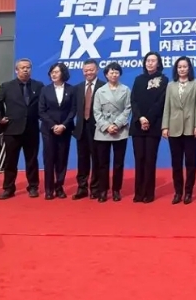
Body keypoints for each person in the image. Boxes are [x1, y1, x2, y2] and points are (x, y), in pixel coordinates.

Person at [0, 58, 45, 199]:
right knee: (10, 161)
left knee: (31, 160)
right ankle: (8, 188)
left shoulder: (39, 86)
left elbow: (43, 104)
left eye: (28, 67)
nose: (25, 70)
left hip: (31, 129)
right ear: (16, 70)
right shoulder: (7, 86)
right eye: (22, 68)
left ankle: (33, 187)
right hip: (12, 129)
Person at [162, 56, 196, 204]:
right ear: (176, 69)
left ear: (189, 68)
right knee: (176, 162)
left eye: (185, 67)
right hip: (174, 128)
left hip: (190, 128)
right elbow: (167, 106)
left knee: (190, 162)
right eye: (179, 67)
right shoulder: (170, 85)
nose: (182, 69)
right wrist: (165, 126)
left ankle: (188, 192)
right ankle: (178, 192)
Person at [130, 52, 168, 203]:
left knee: (150, 160)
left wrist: (148, 119)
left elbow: (160, 102)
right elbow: (133, 100)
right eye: (148, 60)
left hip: (154, 125)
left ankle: (149, 193)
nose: (150, 63)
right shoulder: (138, 79)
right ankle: (138, 193)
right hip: (137, 125)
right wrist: (140, 118)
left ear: (158, 63)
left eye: (153, 61)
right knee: (139, 159)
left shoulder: (163, 80)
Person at [93, 62, 132, 202]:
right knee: (103, 163)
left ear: (120, 74)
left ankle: (116, 190)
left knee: (118, 163)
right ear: (106, 75)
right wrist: (107, 126)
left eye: (116, 72)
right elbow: (96, 112)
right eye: (111, 72)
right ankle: (103, 190)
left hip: (120, 130)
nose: (114, 75)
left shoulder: (125, 90)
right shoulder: (100, 91)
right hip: (103, 131)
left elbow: (128, 109)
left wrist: (116, 124)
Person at [39, 62, 76, 200]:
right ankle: (49, 189)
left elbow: (73, 110)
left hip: (65, 130)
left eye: (56, 72)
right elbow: (41, 111)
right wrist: (53, 126)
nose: (53, 74)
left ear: (63, 73)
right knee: (49, 159)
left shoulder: (71, 90)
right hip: (48, 130)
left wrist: (63, 125)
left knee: (62, 158)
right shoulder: (45, 90)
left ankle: (59, 187)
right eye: (52, 72)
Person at [72, 59, 105, 199]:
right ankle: (82, 188)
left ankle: (95, 188)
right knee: (82, 159)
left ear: (97, 70)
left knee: (96, 159)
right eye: (86, 70)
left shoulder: (104, 86)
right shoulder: (78, 88)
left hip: (97, 128)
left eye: (91, 70)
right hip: (81, 128)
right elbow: (73, 109)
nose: (88, 73)